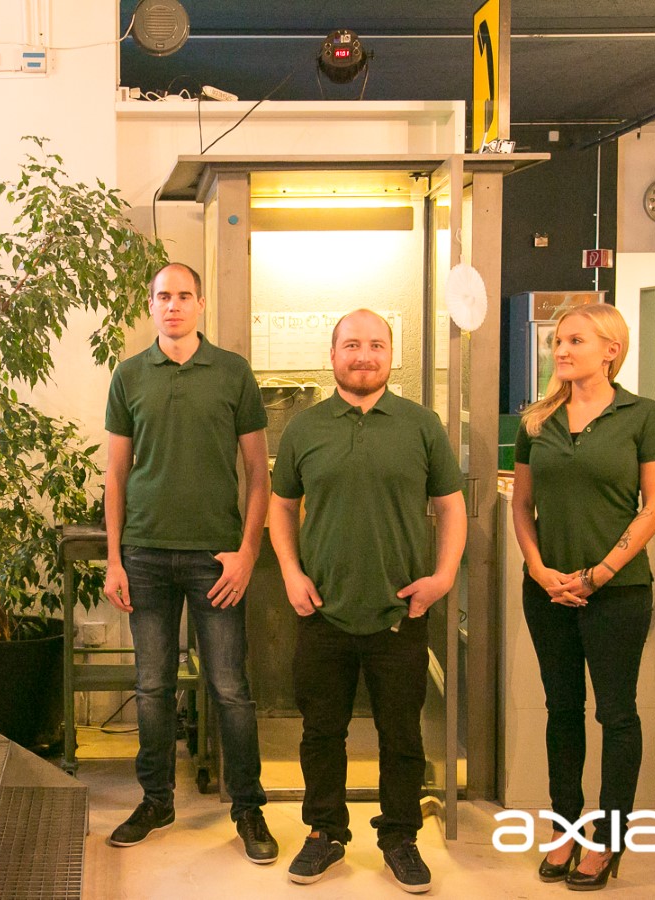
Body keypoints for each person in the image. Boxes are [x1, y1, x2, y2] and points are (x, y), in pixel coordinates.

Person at [269, 309, 466, 892]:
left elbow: (451, 506)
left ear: (390, 355)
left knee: (401, 736)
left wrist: (443, 578)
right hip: (321, 609)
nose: (364, 355)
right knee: (320, 732)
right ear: (332, 356)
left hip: (400, 610)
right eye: (352, 345)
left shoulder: (421, 425)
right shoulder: (305, 428)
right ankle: (324, 833)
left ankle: (400, 837)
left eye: (376, 345)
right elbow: (282, 507)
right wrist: (291, 574)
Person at [102, 262, 277, 864]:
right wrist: (114, 559)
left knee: (230, 689)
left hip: (216, 559)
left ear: (201, 303)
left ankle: (248, 807)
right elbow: (116, 474)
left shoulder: (232, 372)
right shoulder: (129, 375)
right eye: (163, 296)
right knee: (151, 687)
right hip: (144, 555)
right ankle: (156, 800)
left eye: (183, 295)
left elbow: (258, 473)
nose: (173, 305)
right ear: (150, 306)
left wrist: (248, 552)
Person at [511, 303, 655, 890]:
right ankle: (564, 828)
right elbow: (521, 505)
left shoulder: (642, 415)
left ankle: (609, 839)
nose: (561, 349)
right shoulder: (537, 420)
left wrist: (599, 573)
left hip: (618, 591)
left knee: (616, 713)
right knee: (561, 710)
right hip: (548, 591)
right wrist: (538, 569)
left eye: (575, 340)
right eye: (558, 340)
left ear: (611, 350)